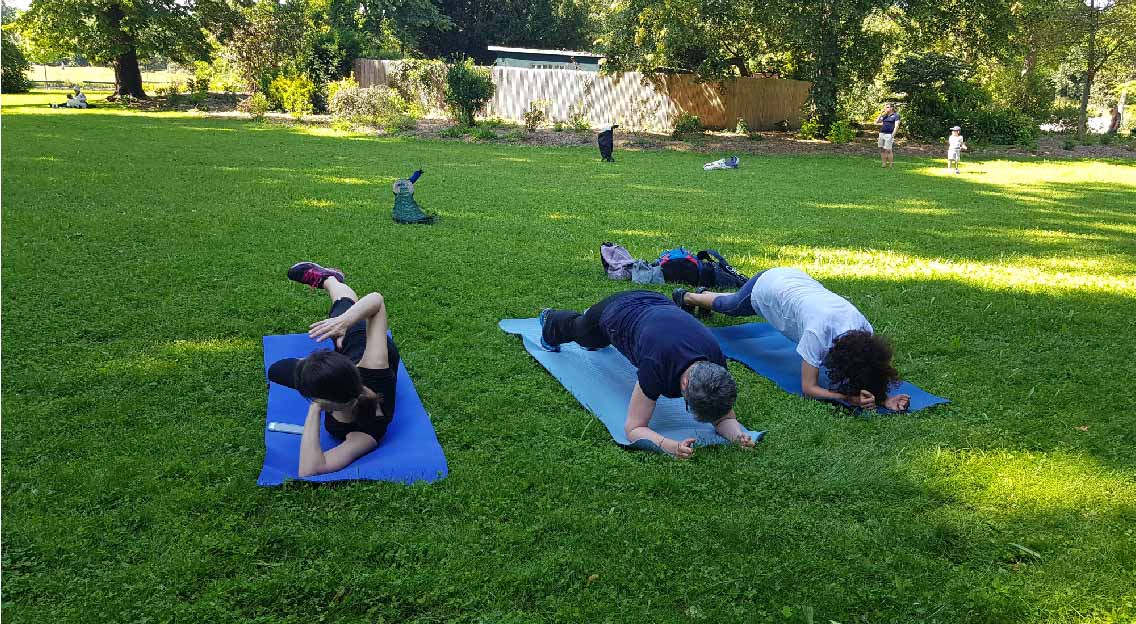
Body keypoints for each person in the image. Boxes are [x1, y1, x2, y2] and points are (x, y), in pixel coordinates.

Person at [538, 291, 754, 459]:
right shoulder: (656, 364)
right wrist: (667, 445)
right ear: (686, 382)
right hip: (618, 309)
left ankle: (591, 316)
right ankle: (552, 319)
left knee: (597, 341)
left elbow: (723, 417)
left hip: (657, 305)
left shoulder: (715, 362)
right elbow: (634, 428)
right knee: (588, 339)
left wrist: (738, 436)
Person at [674, 268, 911, 411]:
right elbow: (809, 388)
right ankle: (687, 297)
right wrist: (847, 398)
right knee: (732, 305)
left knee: (736, 298)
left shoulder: (863, 329)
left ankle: (703, 295)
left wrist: (884, 399)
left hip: (796, 281)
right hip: (770, 286)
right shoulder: (818, 333)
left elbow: (872, 367)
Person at [267, 262, 400, 477]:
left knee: (276, 371)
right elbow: (376, 299)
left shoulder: (366, 431)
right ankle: (330, 279)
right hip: (358, 345)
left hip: (343, 366)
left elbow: (310, 469)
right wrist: (342, 322)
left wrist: (315, 407)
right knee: (344, 305)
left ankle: (335, 296)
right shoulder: (374, 367)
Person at [876, 103, 900, 168]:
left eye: (887, 107)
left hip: (889, 134)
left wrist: (893, 135)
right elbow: (877, 121)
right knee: (881, 149)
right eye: (885, 107)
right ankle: (884, 163)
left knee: (889, 150)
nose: (885, 108)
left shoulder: (896, 115)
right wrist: (881, 113)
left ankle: (891, 164)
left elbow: (897, 126)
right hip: (882, 133)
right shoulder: (884, 115)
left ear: (891, 108)